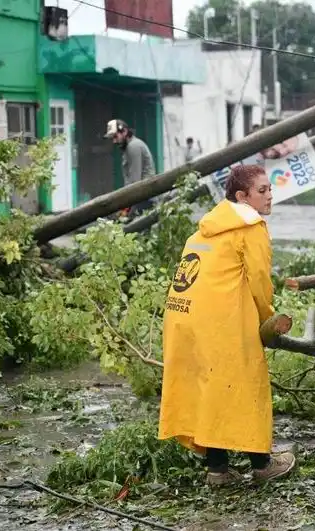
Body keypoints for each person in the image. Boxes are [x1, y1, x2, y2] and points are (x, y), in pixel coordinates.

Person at [158, 164, 296, 486]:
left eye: (270, 189)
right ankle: (262, 465)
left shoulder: (203, 230)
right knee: (247, 385)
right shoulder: (250, 227)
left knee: (210, 389)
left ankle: (218, 470)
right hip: (220, 322)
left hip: (182, 318)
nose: (270, 195)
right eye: (262, 190)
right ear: (242, 196)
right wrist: (267, 320)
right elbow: (260, 280)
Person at [104, 119, 155, 216]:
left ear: (124, 132)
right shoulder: (129, 147)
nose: (114, 141)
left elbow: (135, 182)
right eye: (112, 138)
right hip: (140, 198)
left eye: (115, 136)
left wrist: (128, 208)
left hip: (143, 200)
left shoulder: (133, 146)